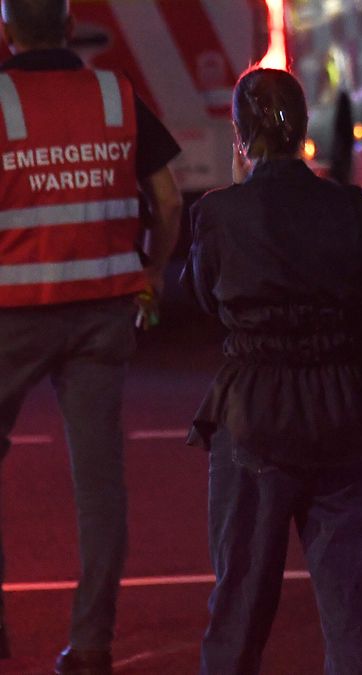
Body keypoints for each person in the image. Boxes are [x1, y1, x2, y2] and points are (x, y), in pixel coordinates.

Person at [181, 68, 362, 675]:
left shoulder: (219, 216)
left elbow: (206, 301)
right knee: (353, 613)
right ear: (306, 132)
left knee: (239, 609)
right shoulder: (359, 212)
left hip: (254, 416)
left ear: (241, 137)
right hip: (343, 415)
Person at [0, 0, 181, 671]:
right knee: (99, 482)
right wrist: (155, 269)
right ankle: (92, 642)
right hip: (104, 312)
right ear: (72, 28)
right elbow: (166, 200)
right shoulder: (116, 94)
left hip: (11, 315)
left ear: (7, 32)